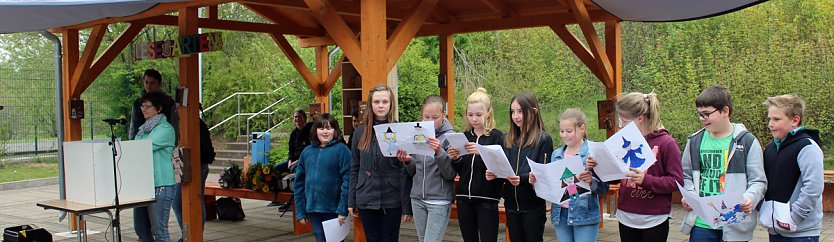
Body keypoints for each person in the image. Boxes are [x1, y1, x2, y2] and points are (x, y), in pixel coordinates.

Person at [587, 92, 682, 242]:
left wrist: (646, 180)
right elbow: (614, 179)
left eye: (624, 121)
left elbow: (676, 182)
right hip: (626, 216)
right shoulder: (624, 140)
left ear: (640, 118)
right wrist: (596, 167)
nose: (621, 125)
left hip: (654, 219)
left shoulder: (667, 143)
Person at [680, 86, 766, 241]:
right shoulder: (694, 141)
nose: (702, 118)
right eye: (699, 114)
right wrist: (690, 197)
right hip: (702, 224)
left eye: (706, 114)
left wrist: (749, 198)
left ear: (725, 111)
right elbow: (686, 176)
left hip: (734, 224)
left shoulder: (748, 142)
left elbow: (758, 181)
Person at [529, 108, 608, 242]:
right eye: (561, 131)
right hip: (560, 215)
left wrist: (590, 181)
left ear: (582, 128)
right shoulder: (556, 155)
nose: (564, 135)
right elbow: (551, 187)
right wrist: (536, 181)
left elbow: (604, 188)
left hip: (584, 215)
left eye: (569, 131)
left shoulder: (593, 152)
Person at [486, 92, 553, 242]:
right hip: (510, 205)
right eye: (513, 112)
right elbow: (504, 169)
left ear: (534, 111)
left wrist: (522, 180)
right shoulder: (506, 138)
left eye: (520, 111)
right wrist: (494, 175)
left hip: (533, 207)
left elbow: (543, 173)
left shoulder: (544, 139)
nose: (515, 116)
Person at [348, 85, 412, 242]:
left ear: (391, 104)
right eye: (377, 102)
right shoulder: (360, 132)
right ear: (370, 104)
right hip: (366, 197)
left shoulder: (400, 131)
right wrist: (351, 201)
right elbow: (355, 168)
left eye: (385, 101)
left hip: (392, 198)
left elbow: (405, 172)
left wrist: (406, 206)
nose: (381, 105)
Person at [760, 94, 823, 242]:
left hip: (801, 233)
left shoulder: (807, 147)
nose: (770, 124)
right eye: (769, 118)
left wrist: (794, 218)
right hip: (775, 230)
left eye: (776, 119)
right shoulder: (770, 148)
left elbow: (813, 187)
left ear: (795, 120)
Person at [448, 88, 503, 242]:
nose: (474, 119)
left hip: (487, 198)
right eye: (470, 114)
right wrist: (456, 158)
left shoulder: (497, 137)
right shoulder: (464, 136)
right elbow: (461, 169)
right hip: (464, 198)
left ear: (488, 113)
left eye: (479, 115)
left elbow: (501, 167)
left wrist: (482, 152)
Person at [398, 95, 455, 242]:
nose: (429, 121)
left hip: (439, 200)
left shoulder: (450, 137)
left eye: (434, 117)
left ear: (444, 116)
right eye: (426, 117)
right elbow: (413, 172)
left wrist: (439, 152)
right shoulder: (417, 135)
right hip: (417, 199)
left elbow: (450, 174)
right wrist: (407, 161)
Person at [294, 113, 352, 242]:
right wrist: (300, 211)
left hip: (334, 210)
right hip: (313, 210)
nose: (325, 132)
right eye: (321, 128)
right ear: (315, 131)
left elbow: (348, 181)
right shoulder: (307, 152)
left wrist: (343, 208)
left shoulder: (342, 151)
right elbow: (299, 184)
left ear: (335, 131)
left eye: (329, 128)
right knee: (320, 238)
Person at [132, 92, 177, 242]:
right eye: (142, 106)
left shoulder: (165, 129)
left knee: (159, 230)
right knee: (141, 229)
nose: (143, 109)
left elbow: (143, 148)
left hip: (161, 185)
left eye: (147, 106)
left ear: (158, 108)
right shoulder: (143, 129)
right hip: (144, 186)